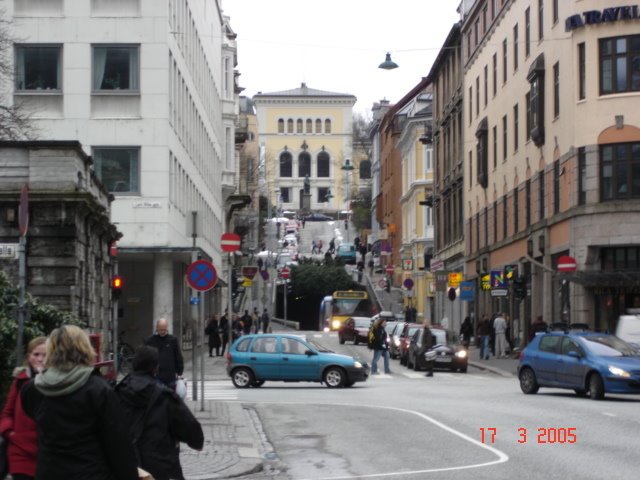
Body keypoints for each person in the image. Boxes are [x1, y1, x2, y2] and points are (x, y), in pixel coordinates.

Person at [21, 325, 139, 480]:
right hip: (91, 472)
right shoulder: (98, 390)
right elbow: (118, 445)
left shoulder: (32, 389)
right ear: (84, 348)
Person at [115, 346, 204, 480]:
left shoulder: (118, 391)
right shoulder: (164, 396)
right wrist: (197, 442)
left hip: (126, 465)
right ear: (155, 367)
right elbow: (188, 425)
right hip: (159, 465)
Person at [0, 336, 46, 480]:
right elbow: (7, 413)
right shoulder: (20, 380)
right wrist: (10, 433)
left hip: (47, 454)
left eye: (45, 355)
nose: (40, 359)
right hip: (20, 454)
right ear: (29, 356)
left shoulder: (58, 384)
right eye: (36, 354)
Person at [144, 318, 184, 389]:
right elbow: (145, 358)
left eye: (164, 330)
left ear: (167, 328)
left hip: (170, 374)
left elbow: (178, 356)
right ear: (157, 328)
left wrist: (179, 371)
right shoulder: (149, 341)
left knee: (170, 395)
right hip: (156, 375)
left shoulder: (173, 340)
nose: (163, 332)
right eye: (161, 330)